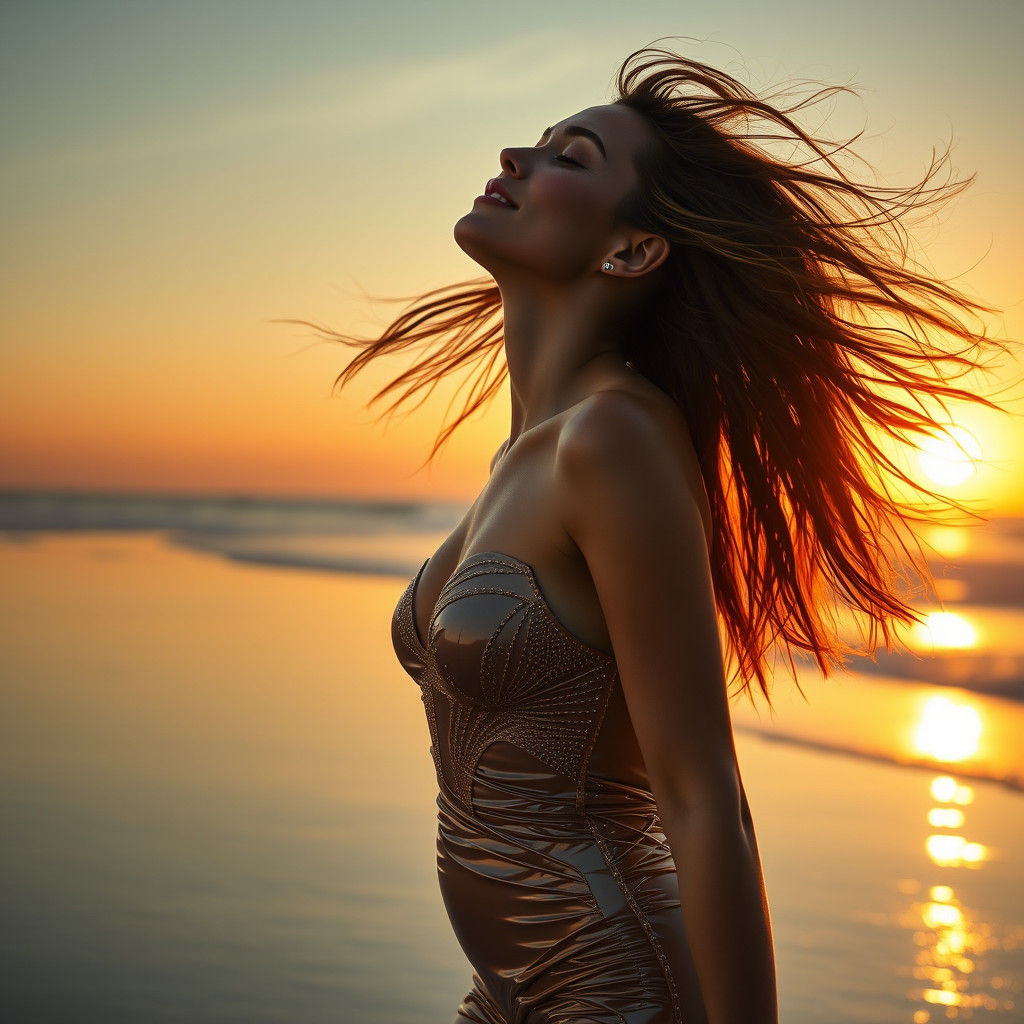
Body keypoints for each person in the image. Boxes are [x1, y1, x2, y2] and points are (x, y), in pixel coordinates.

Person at [291, 39, 1015, 1024]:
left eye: (569, 157)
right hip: (503, 999)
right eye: (539, 142)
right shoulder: (525, 456)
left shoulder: (614, 438)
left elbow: (703, 794)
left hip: (617, 991)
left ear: (630, 250)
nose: (518, 157)